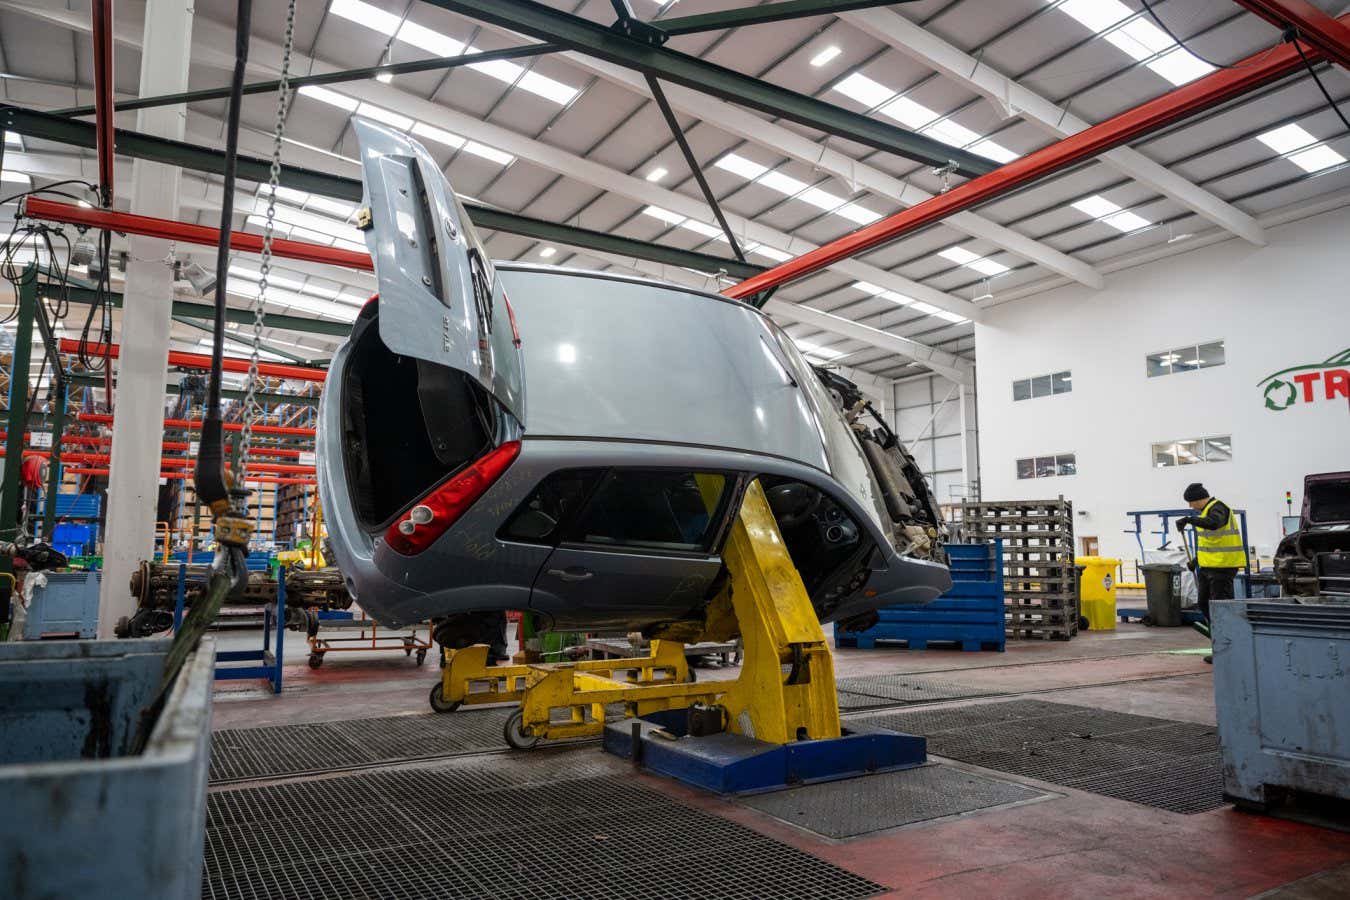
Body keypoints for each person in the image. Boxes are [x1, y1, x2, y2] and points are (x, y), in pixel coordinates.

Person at [1176, 483, 1245, 660]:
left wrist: (1189, 520)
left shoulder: (1218, 508)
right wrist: (1196, 561)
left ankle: (1227, 649)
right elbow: (1211, 543)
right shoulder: (1205, 513)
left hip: (1223, 567)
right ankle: (1220, 643)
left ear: (1198, 499)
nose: (1190, 506)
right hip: (1208, 567)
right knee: (1204, 604)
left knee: (1221, 608)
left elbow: (1215, 524)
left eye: (1191, 502)